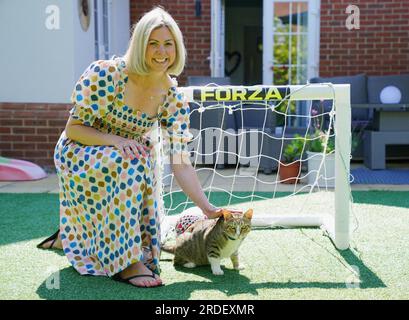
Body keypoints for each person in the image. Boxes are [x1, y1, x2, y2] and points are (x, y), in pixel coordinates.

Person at [37, 7, 226, 288]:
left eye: (168, 44)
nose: (161, 51)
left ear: (177, 47)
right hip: (78, 150)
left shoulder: (172, 98)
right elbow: (73, 129)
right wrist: (118, 141)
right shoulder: (108, 74)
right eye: (153, 43)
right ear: (140, 45)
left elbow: (180, 162)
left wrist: (207, 208)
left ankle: (72, 236)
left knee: (142, 155)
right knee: (132, 158)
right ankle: (126, 262)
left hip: (124, 156)